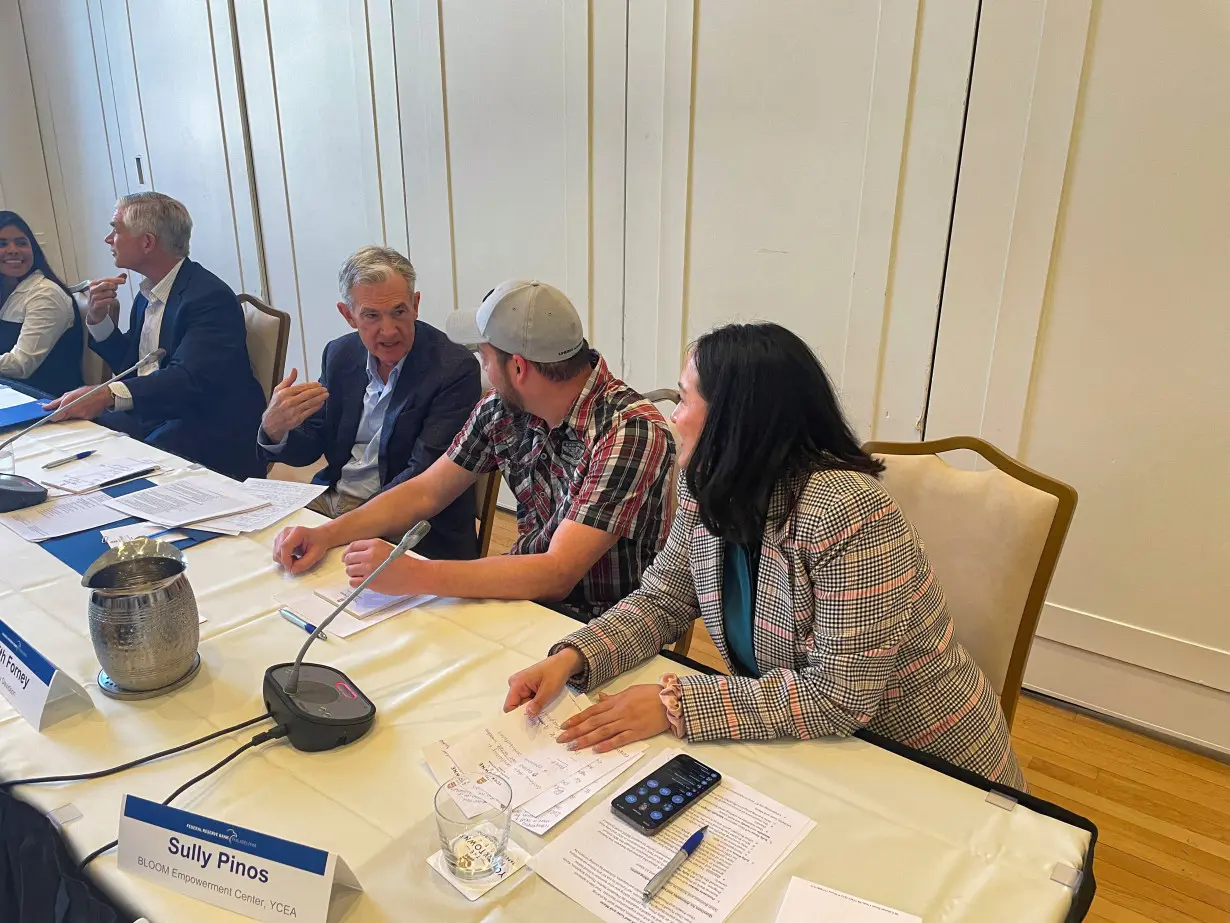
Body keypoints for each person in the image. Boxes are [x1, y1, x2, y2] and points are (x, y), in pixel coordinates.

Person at [503, 322, 1026, 788]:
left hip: (923, 767)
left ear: (734, 421)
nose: (673, 415)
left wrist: (674, 703)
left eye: (683, 399)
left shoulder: (846, 510)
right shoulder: (704, 486)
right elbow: (661, 601)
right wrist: (571, 658)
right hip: (811, 755)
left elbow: (840, 697)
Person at [271, 279, 675, 618]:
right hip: (520, 599)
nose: (481, 368)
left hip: (600, 626)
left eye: (484, 356)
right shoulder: (504, 407)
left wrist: (415, 574)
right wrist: (327, 534)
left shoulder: (630, 431)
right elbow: (426, 490)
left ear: (518, 368)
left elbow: (557, 573)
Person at [256, 246, 481, 561]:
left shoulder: (453, 367)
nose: (388, 330)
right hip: (332, 500)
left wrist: (342, 529)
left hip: (405, 523)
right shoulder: (339, 355)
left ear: (416, 305)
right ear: (348, 315)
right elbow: (311, 447)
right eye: (372, 315)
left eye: (399, 311)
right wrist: (275, 429)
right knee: (261, 554)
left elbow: (422, 478)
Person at [43, 193, 266, 480]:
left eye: (116, 229)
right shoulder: (149, 292)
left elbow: (188, 379)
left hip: (206, 424)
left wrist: (106, 394)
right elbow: (134, 365)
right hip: (158, 413)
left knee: (124, 469)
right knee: (78, 439)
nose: (108, 239)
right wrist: (99, 321)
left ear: (147, 242)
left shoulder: (208, 297)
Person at [0, 211, 83, 396]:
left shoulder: (46, 294)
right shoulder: (8, 290)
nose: (13, 249)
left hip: (48, 403)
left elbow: (22, 364)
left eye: (21, 243)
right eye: (2, 244)